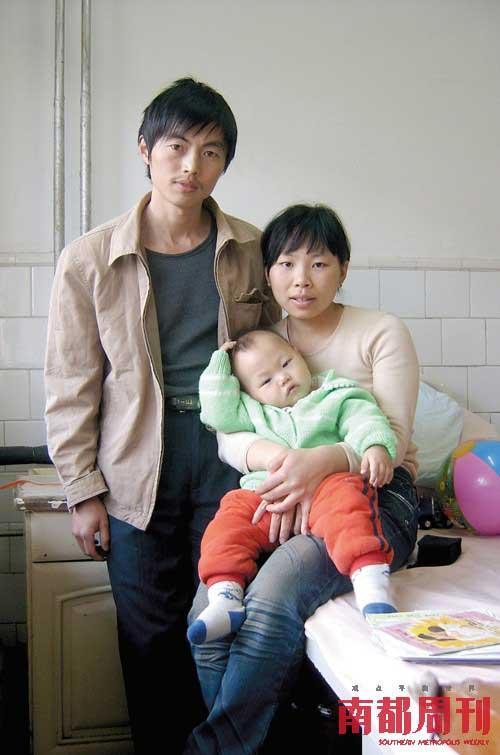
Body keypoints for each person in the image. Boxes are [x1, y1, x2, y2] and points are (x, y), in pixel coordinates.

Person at [44, 77, 280, 755]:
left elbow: (283, 356)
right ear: (145, 149)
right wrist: (83, 490)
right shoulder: (89, 259)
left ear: (225, 163)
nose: (191, 166)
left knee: (227, 621)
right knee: (147, 634)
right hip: (132, 460)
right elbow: (71, 381)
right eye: (176, 146)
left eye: (211, 152)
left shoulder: (251, 249)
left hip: (229, 455)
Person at [185, 203, 420, 754]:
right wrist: (288, 464)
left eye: (318, 264)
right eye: (287, 264)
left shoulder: (381, 332)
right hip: (279, 489)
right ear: (268, 273)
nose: (301, 280)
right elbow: (229, 434)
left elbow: (391, 438)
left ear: (342, 269)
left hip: (373, 498)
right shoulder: (263, 344)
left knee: (271, 598)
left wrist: (319, 464)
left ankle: (215, 749)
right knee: (205, 612)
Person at [188, 328, 399, 645]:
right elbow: (216, 412)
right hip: (266, 497)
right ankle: (225, 595)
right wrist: (220, 361)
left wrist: (375, 446)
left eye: (286, 363)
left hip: (325, 489)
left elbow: (365, 419)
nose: (283, 378)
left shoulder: (334, 394)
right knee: (229, 519)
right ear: (249, 392)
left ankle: (370, 581)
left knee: (349, 500)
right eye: (265, 381)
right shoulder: (252, 411)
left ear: (299, 354)